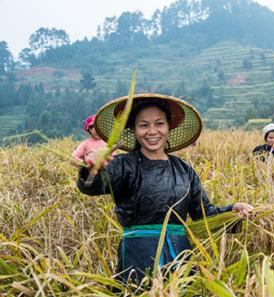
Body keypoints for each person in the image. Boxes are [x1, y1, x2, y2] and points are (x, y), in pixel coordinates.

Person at [77, 94, 254, 283]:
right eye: (144, 125)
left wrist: (233, 209)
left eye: (159, 123)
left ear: (169, 127)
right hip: (138, 256)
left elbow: (203, 213)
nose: (152, 131)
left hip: (180, 255)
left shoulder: (184, 170)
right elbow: (91, 186)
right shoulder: (122, 165)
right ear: (134, 130)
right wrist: (92, 168)